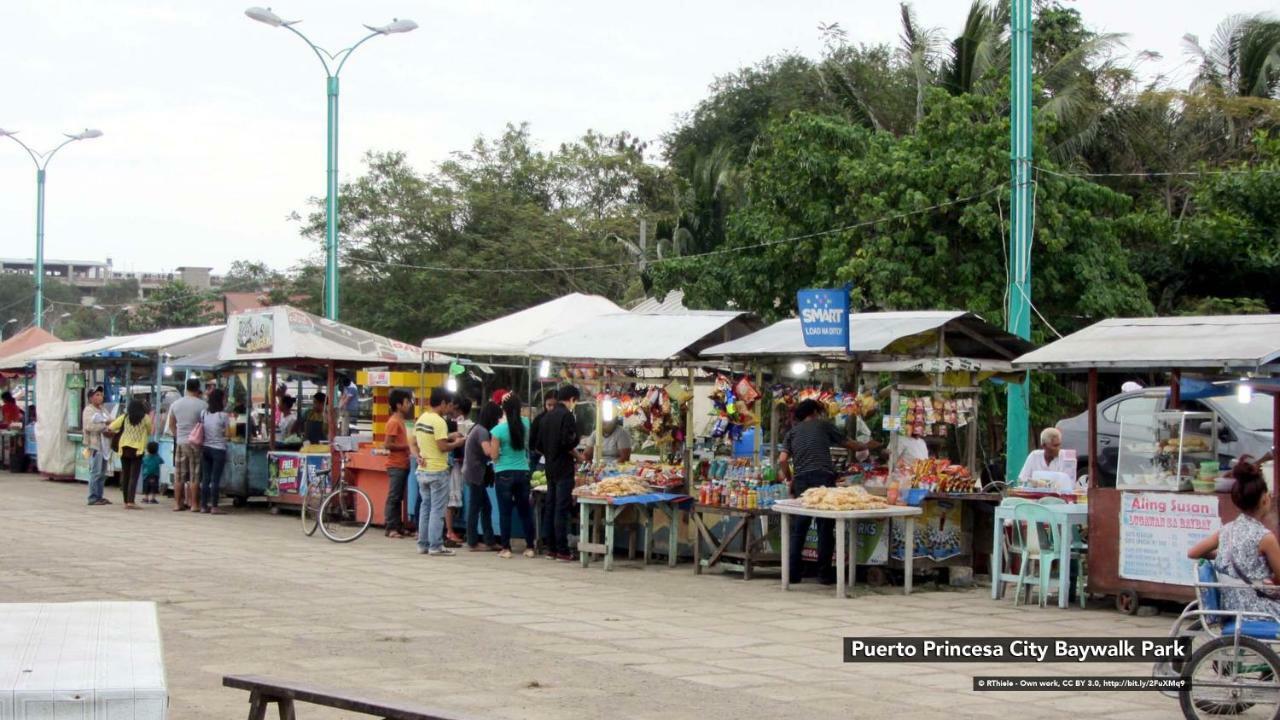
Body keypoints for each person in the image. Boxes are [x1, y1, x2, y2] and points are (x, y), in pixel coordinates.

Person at [778, 399, 881, 584]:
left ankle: (792, 574)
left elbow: (782, 459)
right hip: (823, 478)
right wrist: (869, 445)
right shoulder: (824, 425)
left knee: (799, 528)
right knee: (825, 527)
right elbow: (852, 445)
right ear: (816, 411)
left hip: (801, 480)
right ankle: (824, 574)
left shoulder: (792, 433)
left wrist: (789, 478)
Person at [1188, 458, 1280, 615]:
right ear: (1265, 499)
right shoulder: (1265, 538)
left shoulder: (1227, 530)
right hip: (1260, 609)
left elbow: (1193, 553)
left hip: (1231, 605)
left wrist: (1227, 555)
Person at [412, 388, 465, 556]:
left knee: (425, 507)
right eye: (448, 404)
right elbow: (442, 446)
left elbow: (413, 442)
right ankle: (435, 545)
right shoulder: (439, 421)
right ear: (442, 403)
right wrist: (458, 442)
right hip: (438, 470)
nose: (449, 408)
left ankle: (423, 544)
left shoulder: (422, 419)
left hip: (423, 470)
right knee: (437, 509)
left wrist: (417, 456)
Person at [535, 385, 583, 561]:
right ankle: (562, 550)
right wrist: (577, 454)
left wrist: (550, 452)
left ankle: (551, 548)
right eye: (574, 402)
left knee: (551, 506)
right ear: (571, 399)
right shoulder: (567, 416)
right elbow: (568, 441)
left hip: (549, 467)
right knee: (561, 509)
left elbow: (537, 444)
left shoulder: (546, 417)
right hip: (563, 467)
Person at [492, 393, 537, 559]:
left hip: (503, 473)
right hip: (523, 471)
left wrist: (497, 454)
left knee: (505, 513)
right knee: (525, 511)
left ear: (503, 409)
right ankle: (530, 546)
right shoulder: (526, 424)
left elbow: (494, 455)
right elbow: (528, 446)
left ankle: (506, 548)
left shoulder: (498, 430)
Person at [463, 401, 501, 551]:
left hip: (473, 472)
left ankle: (489, 540)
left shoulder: (477, 428)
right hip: (475, 474)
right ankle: (472, 542)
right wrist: (498, 446)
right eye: (497, 418)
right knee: (475, 508)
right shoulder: (483, 431)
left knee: (486, 507)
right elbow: (488, 451)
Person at [167, 378, 206, 512]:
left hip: (180, 442)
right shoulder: (202, 405)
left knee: (179, 475)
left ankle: (178, 504)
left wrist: (177, 436)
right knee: (195, 475)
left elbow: (171, 424)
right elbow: (205, 425)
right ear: (197, 389)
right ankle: (194, 504)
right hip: (196, 444)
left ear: (186, 388)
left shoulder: (175, 404)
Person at [108, 399, 153, 509]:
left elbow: (111, 427)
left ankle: (125, 501)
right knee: (134, 476)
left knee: (126, 475)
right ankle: (131, 501)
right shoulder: (145, 418)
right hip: (137, 450)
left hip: (124, 448)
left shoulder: (125, 417)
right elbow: (150, 431)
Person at [529, 393, 559, 552]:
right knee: (541, 502)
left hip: (556, 466)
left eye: (554, 405)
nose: (551, 408)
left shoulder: (564, 419)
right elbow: (533, 444)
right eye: (548, 405)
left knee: (554, 503)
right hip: (541, 465)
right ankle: (540, 537)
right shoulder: (539, 420)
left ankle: (552, 538)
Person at [383, 389, 414, 539]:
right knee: (394, 497)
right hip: (396, 464)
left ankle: (398, 525)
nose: (409, 405)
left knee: (399, 497)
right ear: (398, 404)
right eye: (407, 402)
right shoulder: (394, 422)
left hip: (403, 463)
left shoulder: (401, 420)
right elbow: (387, 444)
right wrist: (406, 446)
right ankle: (390, 527)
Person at [199, 388, 232, 514]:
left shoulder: (204, 413)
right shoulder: (223, 416)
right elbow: (228, 434)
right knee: (215, 479)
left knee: (205, 479)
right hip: (219, 449)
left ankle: (203, 505)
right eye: (224, 398)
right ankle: (214, 506)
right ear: (221, 400)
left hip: (206, 448)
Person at [445, 396, 472, 546]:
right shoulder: (460, 425)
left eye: (454, 408)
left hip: (456, 466)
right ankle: (449, 531)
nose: (451, 411)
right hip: (455, 466)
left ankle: (450, 530)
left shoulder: (461, 425)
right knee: (451, 499)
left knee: (452, 499)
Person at [82, 387, 112, 506]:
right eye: (97, 395)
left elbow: (111, 420)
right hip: (95, 445)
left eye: (101, 395)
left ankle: (99, 496)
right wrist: (105, 426)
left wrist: (108, 425)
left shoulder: (103, 409)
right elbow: (89, 426)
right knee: (96, 471)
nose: (100, 397)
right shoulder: (88, 410)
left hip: (105, 446)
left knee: (102, 473)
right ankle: (93, 497)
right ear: (91, 398)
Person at [140, 441, 163, 505]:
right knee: (154, 487)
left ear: (147, 449)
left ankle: (146, 498)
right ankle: (153, 499)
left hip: (146, 474)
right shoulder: (157, 457)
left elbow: (142, 462)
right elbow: (162, 461)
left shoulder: (145, 458)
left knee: (146, 487)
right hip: (155, 474)